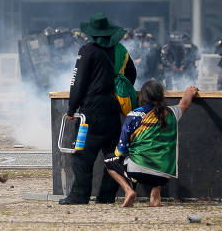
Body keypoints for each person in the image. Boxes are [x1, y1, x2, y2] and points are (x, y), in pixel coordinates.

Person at [59, 13, 136, 205]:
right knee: (112, 156)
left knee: (82, 155)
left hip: (90, 112)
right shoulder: (121, 50)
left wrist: (71, 108)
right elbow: (131, 75)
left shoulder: (87, 50)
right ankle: (106, 196)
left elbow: (78, 81)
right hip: (113, 109)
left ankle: (79, 195)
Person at [104, 82, 199, 207]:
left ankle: (128, 191)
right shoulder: (171, 113)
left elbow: (121, 150)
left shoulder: (134, 115)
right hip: (164, 176)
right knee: (159, 156)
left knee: (109, 160)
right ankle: (155, 195)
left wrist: (120, 155)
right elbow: (184, 104)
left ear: (142, 96)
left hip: (138, 172)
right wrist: (190, 92)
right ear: (161, 96)